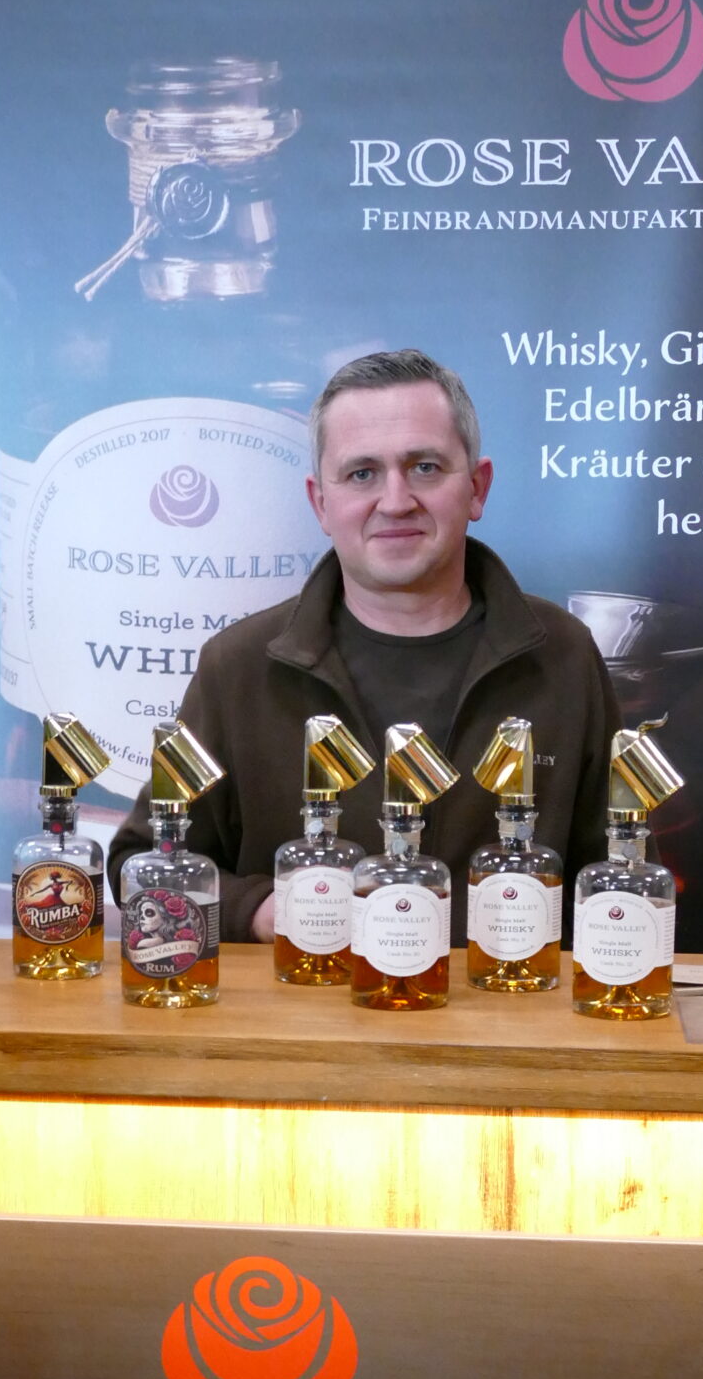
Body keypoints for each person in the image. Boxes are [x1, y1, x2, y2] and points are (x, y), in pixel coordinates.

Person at [107, 347, 623, 944]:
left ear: (477, 488)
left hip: (503, 1002)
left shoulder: (562, 657)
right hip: (307, 1000)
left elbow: (616, 878)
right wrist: (261, 910)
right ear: (321, 503)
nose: (396, 500)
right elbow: (138, 867)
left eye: (425, 467)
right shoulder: (238, 667)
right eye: (362, 473)